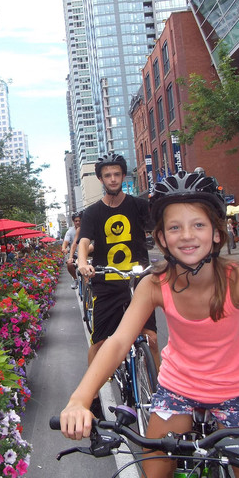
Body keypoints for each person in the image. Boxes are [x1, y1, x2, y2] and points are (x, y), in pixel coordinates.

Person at [60, 170, 239, 478]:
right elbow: (119, 342)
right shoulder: (153, 284)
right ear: (161, 238)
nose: (187, 235)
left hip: (236, 397)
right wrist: (79, 399)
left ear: (217, 233)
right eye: (175, 227)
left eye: (198, 224)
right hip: (177, 391)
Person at [76, 153, 158, 371]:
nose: (113, 179)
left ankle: (160, 395)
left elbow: (160, 231)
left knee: (150, 338)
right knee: (100, 343)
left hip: (140, 280)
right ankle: (92, 398)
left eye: (117, 174)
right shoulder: (92, 212)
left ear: (123, 177)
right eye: (107, 175)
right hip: (107, 283)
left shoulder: (140, 206)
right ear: (101, 179)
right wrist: (82, 262)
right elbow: (84, 241)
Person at [62, 212, 82, 289]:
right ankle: (75, 279)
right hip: (75, 254)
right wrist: (64, 248)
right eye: (76, 221)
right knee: (70, 264)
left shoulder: (88, 228)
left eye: (79, 220)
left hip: (88, 254)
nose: (78, 222)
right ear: (73, 221)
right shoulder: (70, 232)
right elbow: (69, 243)